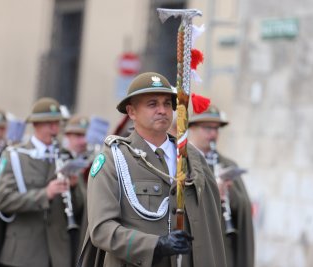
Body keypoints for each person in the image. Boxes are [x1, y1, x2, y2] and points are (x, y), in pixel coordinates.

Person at [79, 72, 226, 267]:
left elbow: (210, 228)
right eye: (152, 104)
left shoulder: (192, 158)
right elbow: (102, 229)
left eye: (167, 103)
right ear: (131, 112)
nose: (162, 110)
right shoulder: (113, 159)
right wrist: (155, 245)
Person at [0, 97, 83, 267]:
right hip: (22, 255)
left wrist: (74, 188)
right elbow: (3, 199)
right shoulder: (15, 155)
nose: (55, 129)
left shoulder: (66, 156)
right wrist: (45, 194)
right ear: (35, 125)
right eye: (49, 123)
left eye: (58, 123)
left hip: (58, 254)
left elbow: (79, 209)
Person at [188, 105, 255, 267]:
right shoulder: (181, 161)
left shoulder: (227, 164)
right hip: (195, 246)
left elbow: (244, 207)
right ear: (192, 128)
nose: (213, 134)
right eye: (207, 128)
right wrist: (211, 194)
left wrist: (228, 194)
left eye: (217, 129)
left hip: (224, 247)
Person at [63, 114, 90, 255]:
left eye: (85, 136)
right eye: (78, 136)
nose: (83, 141)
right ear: (68, 136)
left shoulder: (91, 160)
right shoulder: (61, 159)